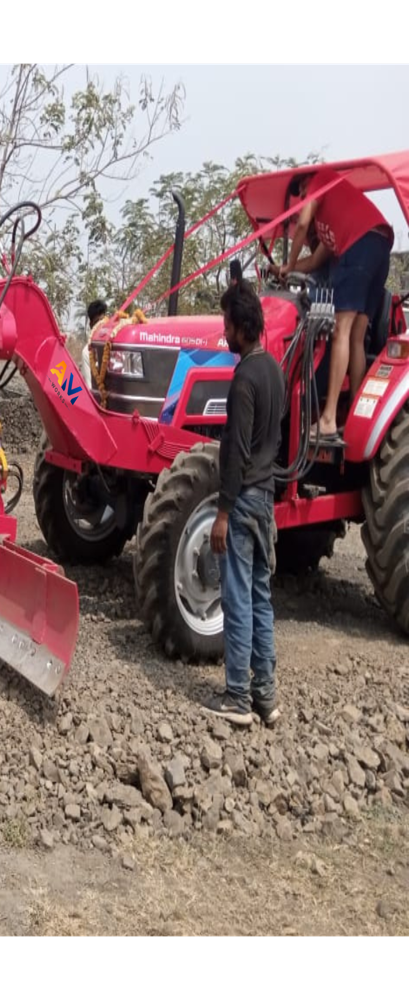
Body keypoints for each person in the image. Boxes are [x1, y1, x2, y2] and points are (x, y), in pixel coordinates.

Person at [207, 279, 286, 728]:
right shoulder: (273, 371)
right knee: (260, 595)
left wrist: (221, 512)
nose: (223, 332)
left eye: (226, 324)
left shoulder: (242, 381)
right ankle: (266, 697)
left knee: (237, 597)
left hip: (242, 503)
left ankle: (237, 697)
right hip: (266, 499)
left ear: (241, 326)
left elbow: (234, 452)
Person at [280, 170, 394, 442]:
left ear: (308, 186)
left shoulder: (321, 179)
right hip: (379, 247)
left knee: (339, 331)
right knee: (356, 337)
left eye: (303, 193)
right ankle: (356, 415)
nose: (305, 199)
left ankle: (329, 418)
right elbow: (315, 262)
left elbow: (304, 223)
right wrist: (285, 268)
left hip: (362, 247)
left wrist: (289, 263)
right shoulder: (331, 225)